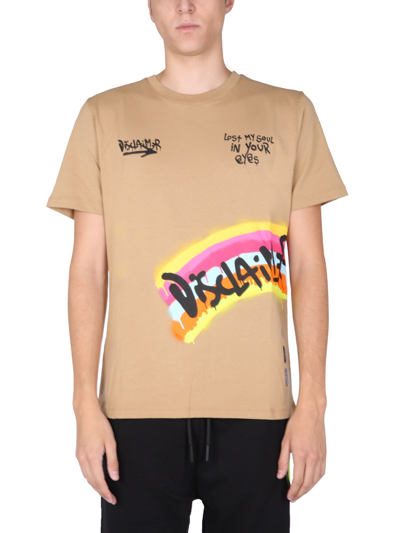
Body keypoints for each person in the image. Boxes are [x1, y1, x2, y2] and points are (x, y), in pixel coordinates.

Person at [46, 1, 348, 531]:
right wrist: (83, 405)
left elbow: (308, 266)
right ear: (149, 6)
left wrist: (314, 406)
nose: (184, 5)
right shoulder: (103, 116)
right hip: (134, 418)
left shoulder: (290, 113)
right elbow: (88, 270)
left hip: (260, 416)